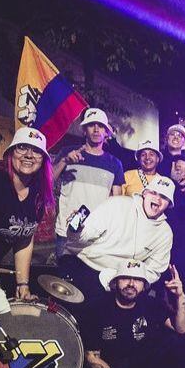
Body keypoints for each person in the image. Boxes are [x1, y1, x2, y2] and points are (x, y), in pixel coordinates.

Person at [60, 175, 174, 307]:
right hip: (84, 264)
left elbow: (154, 270)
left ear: (169, 205)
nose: (158, 199)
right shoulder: (117, 204)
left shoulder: (165, 233)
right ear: (145, 193)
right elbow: (82, 236)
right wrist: (76, 229)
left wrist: (124, 278)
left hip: (122, 280)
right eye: (154, 193)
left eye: (164, 198)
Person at [0, 126, 54, 298]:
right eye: (22, 147)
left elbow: (25, 239)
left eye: (37, 151)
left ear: (43, 159)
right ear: (11, 152)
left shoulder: (38, 191)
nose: (29, 155)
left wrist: (22, 284)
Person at [52, 108, 124, 259]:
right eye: (91, 125)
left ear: (106, 132)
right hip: (67, 231)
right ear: (84, 130)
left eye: (101, 126)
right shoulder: (69, 152)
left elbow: (117, 202)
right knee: (61, 280)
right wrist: (64, 161)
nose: (96, 129)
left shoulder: (115, 163)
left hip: (97, 233)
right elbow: (48, 180)